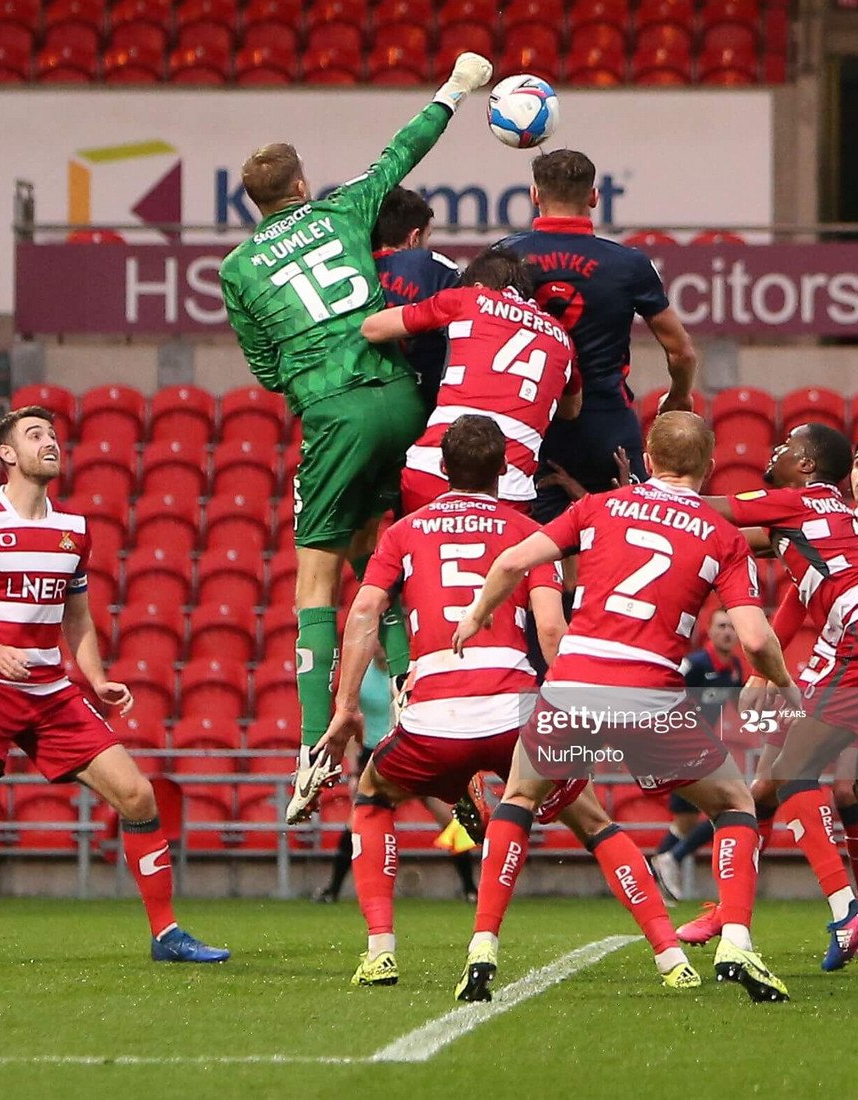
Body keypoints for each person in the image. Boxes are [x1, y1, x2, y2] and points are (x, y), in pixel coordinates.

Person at [219, 53, 495, 825]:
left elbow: (267, 369)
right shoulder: (342, 211)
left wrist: (312, 379)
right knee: (387, 562)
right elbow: (403, 150)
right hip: (402, 400)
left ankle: (314, 746)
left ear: (255, 202)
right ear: (302, 186)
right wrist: (456, 88)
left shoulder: (238, 268)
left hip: (334, 411)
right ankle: (420, 708)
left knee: (318, 584)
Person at [448, 412, 798, 1004]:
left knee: (519, 799)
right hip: (649, 696)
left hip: (574, 682)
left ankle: (483, 944)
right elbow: (757, 640)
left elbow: (511, 560)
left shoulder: (600, 508)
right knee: (735, 804)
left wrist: (478, 614)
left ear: (652, 460)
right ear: (708, 466)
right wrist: (779, 681)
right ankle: (736, 938)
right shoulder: (722, 534)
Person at [0, 407, 227, 968]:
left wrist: (96, 678)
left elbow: (77, 618)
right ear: (7, 455)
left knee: (138, 795)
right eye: (34, 436)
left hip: (52, 693)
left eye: (52, 434)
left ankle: (166, 934)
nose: (49, 442)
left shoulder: (73, 530)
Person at [678, 434, 858, 955]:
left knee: (786, 778)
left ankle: (850, 913)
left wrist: (633, 500)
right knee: (849, 786)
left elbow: (699, 510)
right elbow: (789, 579)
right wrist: (763, 671)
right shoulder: (842, 520)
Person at [314, 415, 568, 986]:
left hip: (434, 715)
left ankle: (380, 947)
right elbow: (551, 631)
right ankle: (486, 941)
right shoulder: (530, 533)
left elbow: (363, 613)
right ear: (504, 468)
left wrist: (345, 706)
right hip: (515, 710)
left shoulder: (404, 531)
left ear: (443, 469)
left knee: (374, 798)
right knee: (567, 812)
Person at [497, 149, 699, 522]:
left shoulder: (503, 258)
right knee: (628, 538)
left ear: (534, 195)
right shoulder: (628, 264)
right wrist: (679, 395)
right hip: (606, 424)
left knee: (533, 553)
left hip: (531, 424)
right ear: (593, 196)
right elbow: (681, 352)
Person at [361, 246, 580, 515]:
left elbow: (372, 328)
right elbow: (572, 409)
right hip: (507, 489)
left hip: (434, 470)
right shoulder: (562, 339)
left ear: (478, 285)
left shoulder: (468, 299)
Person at [312, 654, 478, 904]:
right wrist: (354, 768)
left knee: (450, 820)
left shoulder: (406, 669)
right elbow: (345, 721)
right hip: (373, 755)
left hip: (410, 749)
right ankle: (333, 889)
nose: (379, 646)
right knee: (355, 821)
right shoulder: (361, 673)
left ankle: (469, 888)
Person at [649, 608, 745, 902]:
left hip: (699, 746)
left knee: (687, 820)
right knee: (731, 807)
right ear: (710, 632)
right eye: (722, 626)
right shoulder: (695, 664)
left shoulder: (735, 667)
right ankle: (671, 859)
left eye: (732, 627)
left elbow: (740, 705)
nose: (728, 632)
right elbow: (663, 688)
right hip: (678, 743)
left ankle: (658, 873)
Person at [372, 186, 461, 413]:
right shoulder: (435, 267)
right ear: (414, 237)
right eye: (427, 237)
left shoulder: (350, 268)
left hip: (362, 400)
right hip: (425, 403)